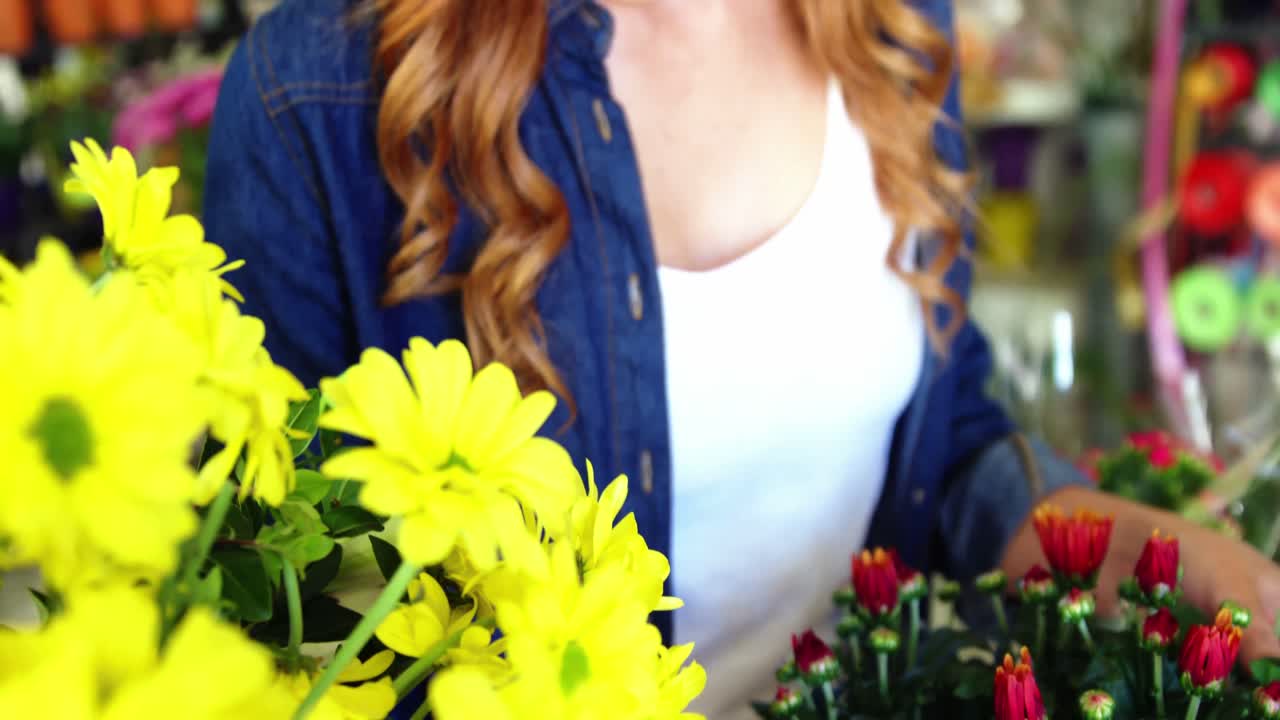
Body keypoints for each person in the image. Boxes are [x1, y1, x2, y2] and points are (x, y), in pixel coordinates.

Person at [204, 0, 1280, 716]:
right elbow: (287, 618)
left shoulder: (892, 24)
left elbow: (940, 440)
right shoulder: (321, 93)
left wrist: (1141, 552)